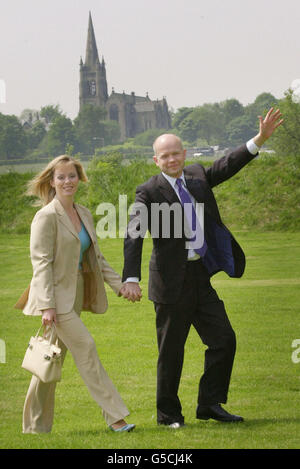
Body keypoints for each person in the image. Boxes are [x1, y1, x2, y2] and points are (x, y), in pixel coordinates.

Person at [121, 108, 283, 428]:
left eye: (175, 153)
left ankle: (209, 403)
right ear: (156, 160)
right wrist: (131, 277)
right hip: (169, 283)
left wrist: (259, 140)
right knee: (172, 352)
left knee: (224, 339)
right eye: (164, 156)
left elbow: (226, 165)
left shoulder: (196, 176)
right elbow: (133, 234)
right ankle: (168, 415)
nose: (171, 160)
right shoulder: (149, 191)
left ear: (184, 153)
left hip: (200, 277)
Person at [15, 155, 135, 434]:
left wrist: (121, 286)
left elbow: (97, 258)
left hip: (75, 296)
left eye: (72, 176)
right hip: (55, 301)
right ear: (52, 181)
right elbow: (41, 263)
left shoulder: (83, 213)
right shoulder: (45, 217)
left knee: (48, 362)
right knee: (87, 348)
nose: (67, 181)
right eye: (61, 177)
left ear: (79, 179)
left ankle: (34, 427)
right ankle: (116, 418)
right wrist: (46, 306)